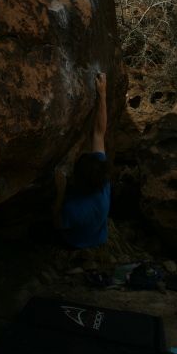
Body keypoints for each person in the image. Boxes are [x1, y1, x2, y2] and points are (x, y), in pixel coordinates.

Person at [53, 72, 111, 248]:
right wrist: (102, 94)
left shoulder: (75, 210)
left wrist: (60, 194)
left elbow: (57, 222)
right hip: (99, 236)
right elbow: (99, 132)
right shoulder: (102, 183)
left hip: (76, 242)